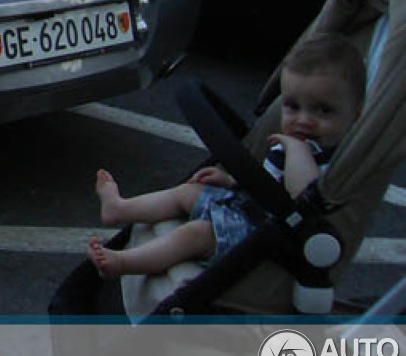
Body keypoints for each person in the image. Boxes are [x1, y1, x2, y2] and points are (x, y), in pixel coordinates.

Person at [87, 33, 366, 278]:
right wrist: (232, 180)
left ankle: (124, 262)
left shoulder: (325, 156)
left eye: (323, 111)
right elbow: (270, 182)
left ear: (355, 116)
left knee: (195, 234)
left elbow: (304, 198)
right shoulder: (300, 141)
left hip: (268, 236)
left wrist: (297, 151)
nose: (304, 120)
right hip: (247, 206)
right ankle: (120, 209)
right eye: (293, 107)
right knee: (188, 191)